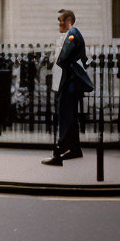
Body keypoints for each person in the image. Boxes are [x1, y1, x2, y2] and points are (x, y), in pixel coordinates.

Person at [42, 10, 93, 166]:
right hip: (70, 82)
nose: (60, 24)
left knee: (65, 116)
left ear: (69, 20)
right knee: (70, 116)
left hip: (69, 83)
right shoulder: (71, 34)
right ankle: (74, 149)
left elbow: (62, 57)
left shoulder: (72, 33)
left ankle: (58, 154)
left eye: (61, 21)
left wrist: (58, 61)